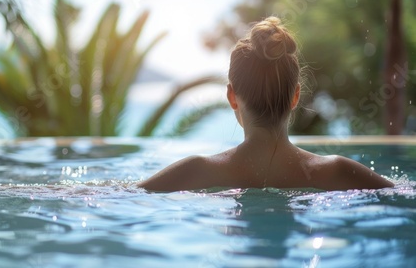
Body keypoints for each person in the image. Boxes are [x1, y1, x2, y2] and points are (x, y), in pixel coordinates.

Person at [137, 16, 394, 192]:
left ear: (231, 97)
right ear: (295, 96)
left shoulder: (196, 171)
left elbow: (117, 196)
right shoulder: (339, 171)